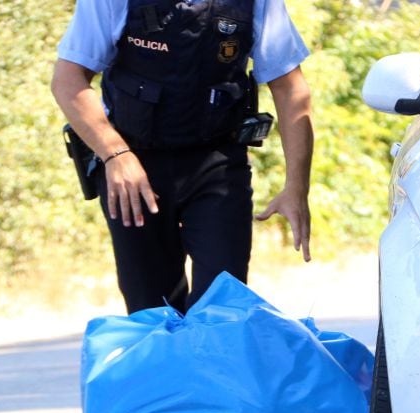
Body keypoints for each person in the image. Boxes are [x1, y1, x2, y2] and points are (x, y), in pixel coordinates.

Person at [51, 0, 313, 313]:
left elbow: (290, 88)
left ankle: (212, 344)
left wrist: (296, 188)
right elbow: (67, 80)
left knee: (221, 308)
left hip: (217, 164)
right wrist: (115, 154)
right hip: (133, 168)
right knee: (152, 311)